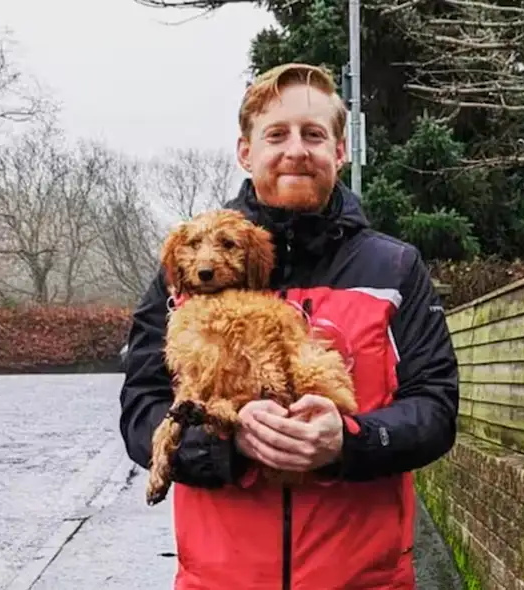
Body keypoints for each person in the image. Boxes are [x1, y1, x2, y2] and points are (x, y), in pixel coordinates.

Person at [118, 62, 459, 590]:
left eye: (314, 134)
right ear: (245, 151)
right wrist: (227, 443)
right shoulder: (188, 273)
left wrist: (349, 441)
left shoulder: (394, 269)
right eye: (276, 134)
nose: (296, 150)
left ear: (339, 151)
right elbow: (141, 411)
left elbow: (436, 409)